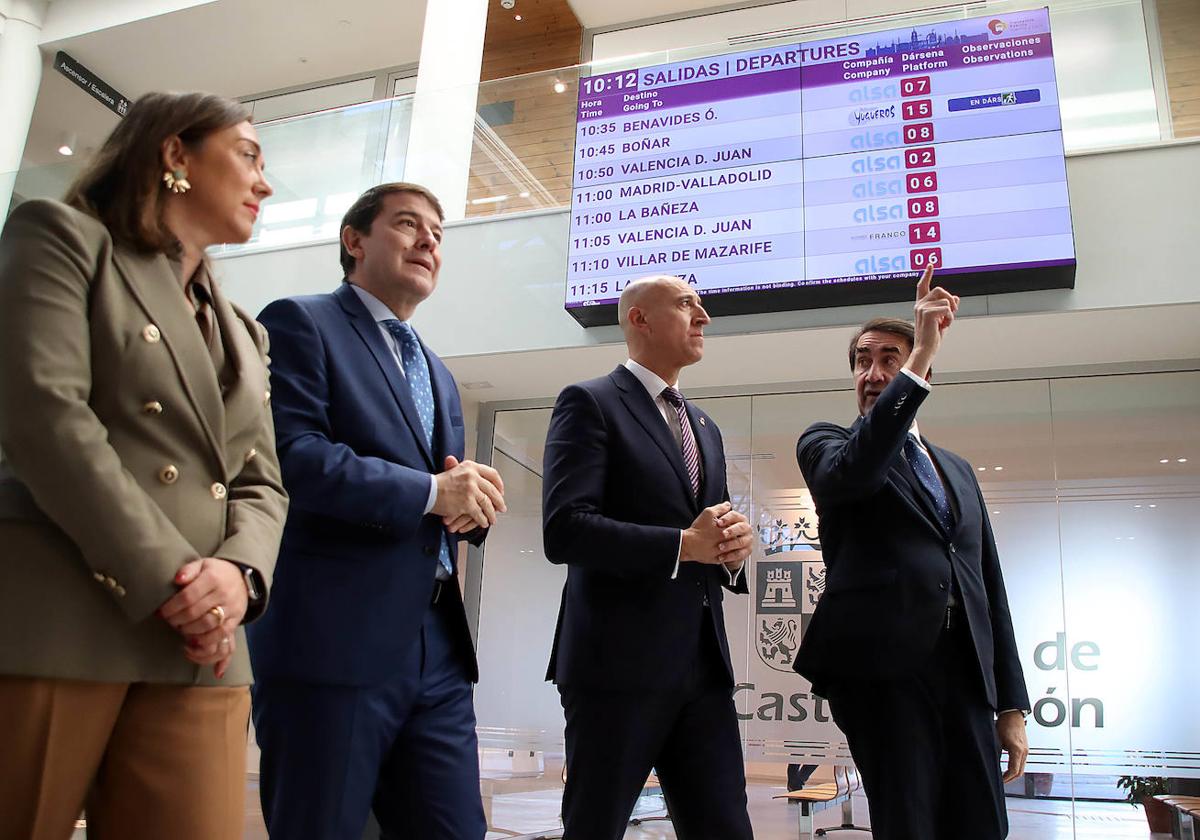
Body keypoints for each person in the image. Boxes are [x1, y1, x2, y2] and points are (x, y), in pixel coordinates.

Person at [0, 91, 286, 840]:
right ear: (173, 155)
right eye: (249, 155)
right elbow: (44, 415)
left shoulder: (247, 334)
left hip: (203, 647)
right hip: (60, 617)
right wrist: (175, 583)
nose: (265, 182)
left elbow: (261, 481)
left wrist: (239, 579)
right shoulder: (60, 236)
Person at [247, 182, 505, 840]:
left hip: (439, 651)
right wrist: (431, 493)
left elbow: (440, 491)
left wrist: (470, 503)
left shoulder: (438, 371)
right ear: (354, 240)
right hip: (334, 643)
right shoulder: (300, 322)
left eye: (439, 235)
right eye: (408, 225)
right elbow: (293, 457)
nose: (428, 242)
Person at [792, 266, 1031, 840]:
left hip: (966, 674)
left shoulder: (958, 470)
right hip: (885, 674)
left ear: (923, 376)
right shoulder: (827, 444)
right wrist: (919, 352)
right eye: (862, 361)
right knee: (909, 821)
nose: (873, 373)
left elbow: (988, 586)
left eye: (890, 359)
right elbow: (857, 473)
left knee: (981, 822)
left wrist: (1011, 705)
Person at [542, 275, 756, 840]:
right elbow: (565, 529)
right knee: (595, 827)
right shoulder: (589, 402)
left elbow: (707, 534)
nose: (703, 316)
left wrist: (731, 551)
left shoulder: (704, 426)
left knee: (726, 828)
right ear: (639, 319)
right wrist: (683, 545)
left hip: (703, 670)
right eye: (688, 304)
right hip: (615, 668)